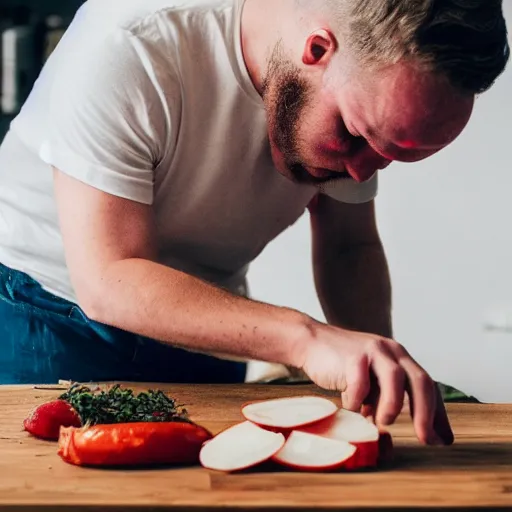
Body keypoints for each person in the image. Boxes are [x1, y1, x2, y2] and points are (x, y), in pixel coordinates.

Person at [0, 0, 508, 446]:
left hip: (206, 332)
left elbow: (346, 249)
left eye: (389, 155)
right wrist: (306, 339)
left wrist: (374, 373)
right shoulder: (130, 42)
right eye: (355, 136)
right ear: (316, 48)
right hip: (44, 316)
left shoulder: (355, 91)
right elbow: (111, 278)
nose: (360, 171)